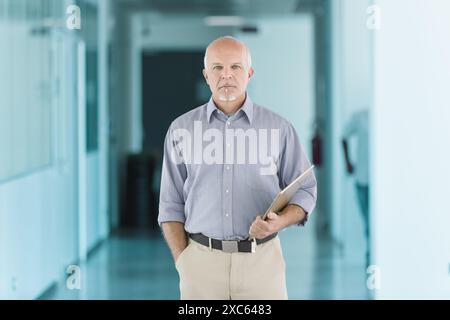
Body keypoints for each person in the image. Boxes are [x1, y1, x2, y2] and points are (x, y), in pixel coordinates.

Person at [158, 36, 317, 300]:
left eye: (236, 67)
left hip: (262, 264)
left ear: (249, 73)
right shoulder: (181, 129)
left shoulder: (279, 128)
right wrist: (183, 262)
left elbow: (306, 191)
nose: (227, 75)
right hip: (200, 266)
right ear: (206, 75)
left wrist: (279, 223)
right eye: (218, 68)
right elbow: (170, 204)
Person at [342, 109, 370, 268]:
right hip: (363, 177)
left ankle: (373, 250)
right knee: (367, 219)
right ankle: (370, 249)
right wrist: (348, 162)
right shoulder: (360, 116)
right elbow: (343, 136)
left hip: (379, 181)